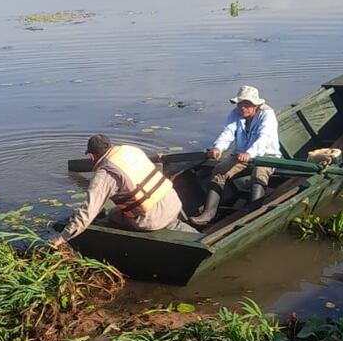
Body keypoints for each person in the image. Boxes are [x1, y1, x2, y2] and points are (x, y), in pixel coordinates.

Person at [50, 134, 193, 247]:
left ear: (92, 156)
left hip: (152, 220)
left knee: (113, 214)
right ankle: (182, 228)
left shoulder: (104, 175)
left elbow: (88, 211)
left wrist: (62, 238)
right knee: (167, 219)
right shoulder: (131, 151)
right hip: (173, 202)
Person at [193, 85, 280, 227]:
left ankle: (253, 215)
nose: (242, 108)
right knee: (219, 171)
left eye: (246, 105)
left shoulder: (267, 115)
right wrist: (218, 147)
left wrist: (250, 153)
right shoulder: (235, 114)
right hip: (241, 156)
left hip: (266, 155)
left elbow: (264, 138)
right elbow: (228, 132)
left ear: (255, 105)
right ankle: (208, 214)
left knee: (258, 174)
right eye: (240, 104)